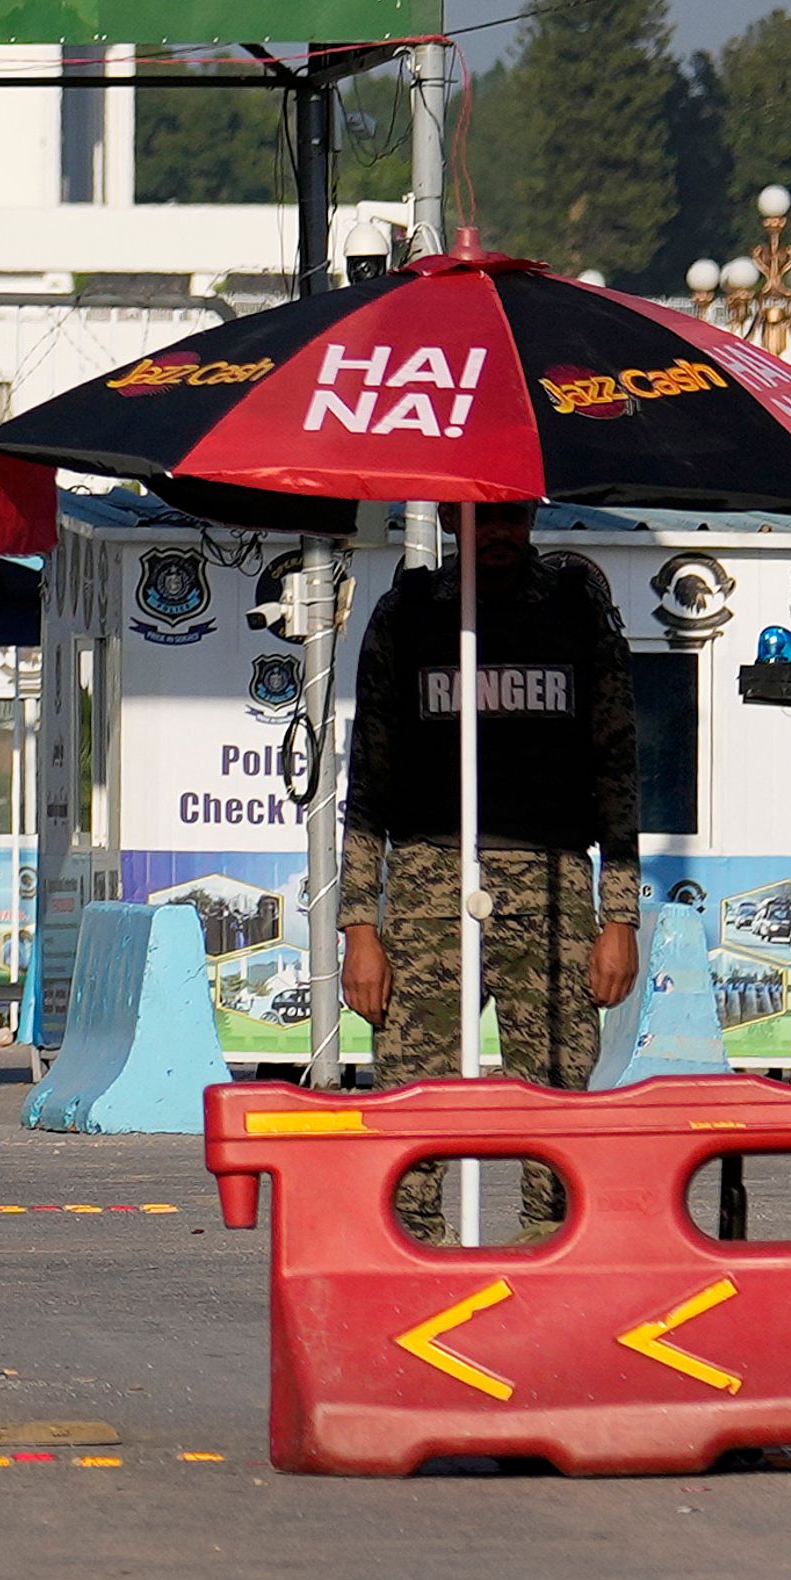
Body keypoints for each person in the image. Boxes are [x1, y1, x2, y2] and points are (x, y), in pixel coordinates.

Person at [337, 501, 642, 1238]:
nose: (497, 533)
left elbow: (617, 769)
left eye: (510, 517)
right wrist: (359, 928)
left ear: (532, 517)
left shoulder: (575, 612)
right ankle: (415, 1259)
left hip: (554, 887)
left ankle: (550, 1262)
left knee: (559, 1101)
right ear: (447, 518)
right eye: (479, 519)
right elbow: (368, 781)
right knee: (413, 1098)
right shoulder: (408, 613)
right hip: (427, 886)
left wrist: (621, 917)